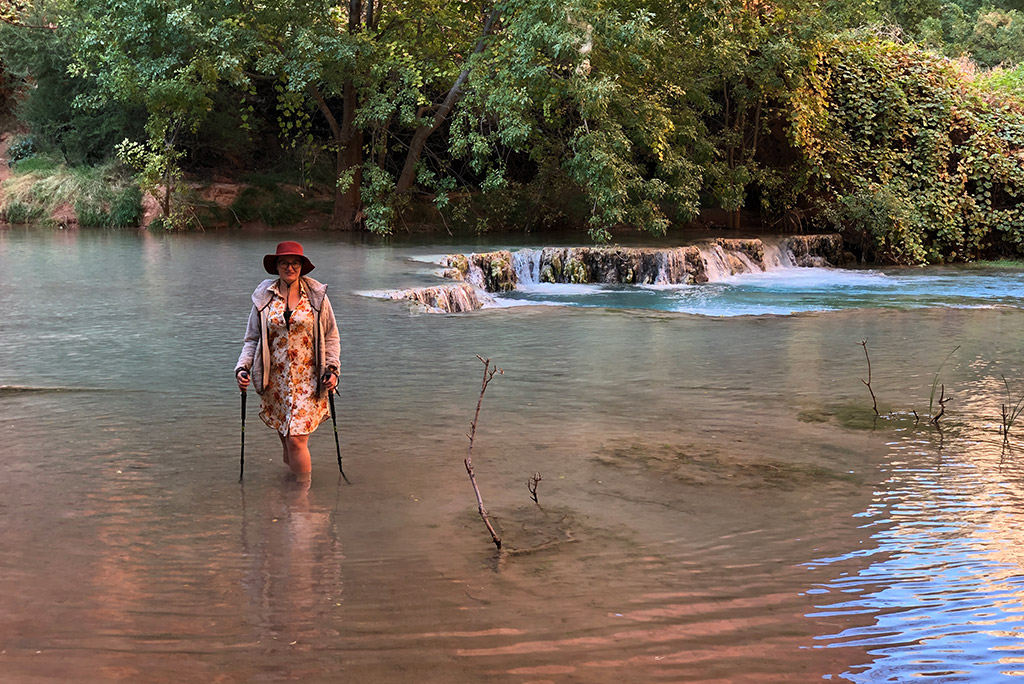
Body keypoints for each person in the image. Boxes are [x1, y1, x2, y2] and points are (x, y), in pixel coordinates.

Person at [235, 241, 340, 483]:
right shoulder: (264, 298)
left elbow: (331, 336)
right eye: (284, 262)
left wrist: (332, 369)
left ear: (302, 266)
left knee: (296, 440)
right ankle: (289, 493)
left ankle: (301, 503)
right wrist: (243, 367)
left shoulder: (317, 297)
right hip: (276, 381)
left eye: (295, 263)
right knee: (286, 439)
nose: (289, 267)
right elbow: (252, 339)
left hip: (309, 381)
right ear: (277, 266)